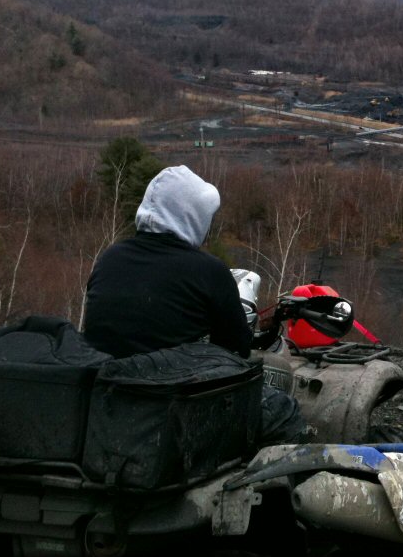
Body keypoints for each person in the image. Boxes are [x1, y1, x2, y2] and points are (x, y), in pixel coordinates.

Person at [83, 164, 309, 444]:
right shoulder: (208, 270)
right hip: (170, 400)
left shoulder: (109, 258)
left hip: (108, 394)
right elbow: (236, 350)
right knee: (284, 412)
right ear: (191, 217)